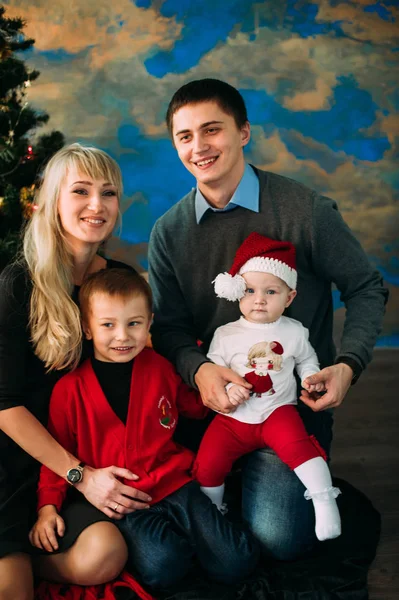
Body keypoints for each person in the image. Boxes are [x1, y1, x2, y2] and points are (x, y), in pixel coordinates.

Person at [148, 78, 388, 559]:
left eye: (212, 130)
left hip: (290, 411)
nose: (199, 147)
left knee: (278, 538)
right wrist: (199, 369)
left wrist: (348, 363)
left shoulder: (305, 211)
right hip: (215, 412)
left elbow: (366, 286)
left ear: (244, 133)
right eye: (185, 136)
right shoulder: (169, 233)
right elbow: (168, 328)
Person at [29, 268, 259, 591]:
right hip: (126, 503)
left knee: (238, 562)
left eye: (134, 324)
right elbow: (56, 455)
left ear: (149, 323)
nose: (122, 336)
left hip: (178, 485)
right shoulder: (69, 391)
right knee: (164, 569)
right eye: (108, 325)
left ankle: (203, 541)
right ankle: (180, 548)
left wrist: (221, 382)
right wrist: (47, 507)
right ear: (87, 327)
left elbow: (194, 406)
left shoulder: (160, 367)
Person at [0, 144, 152, 600]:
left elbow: (144, 370)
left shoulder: (120, 281)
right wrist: (82, 477)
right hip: (13, 457)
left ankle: (27, 557)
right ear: (51, 202)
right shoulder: (18, 284)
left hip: (77, 449)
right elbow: (4, 406)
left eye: (108, 193)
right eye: (81, 191)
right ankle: (14, 559)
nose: (96, 205)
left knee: (106, 553)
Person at [194, 232, 341, 542]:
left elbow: (307, 359)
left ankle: (324, 498)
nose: (259, 299)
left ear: (289, 298)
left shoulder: (294, 331)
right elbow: (215, 371)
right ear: (237, 292)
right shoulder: (226, 333)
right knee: (207, 463)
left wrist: (311, 376)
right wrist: (229, 390)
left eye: (271, 291)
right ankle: (213, 511)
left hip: (277, 412)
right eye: (249, 290)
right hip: (233, 419)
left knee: (300, 448)